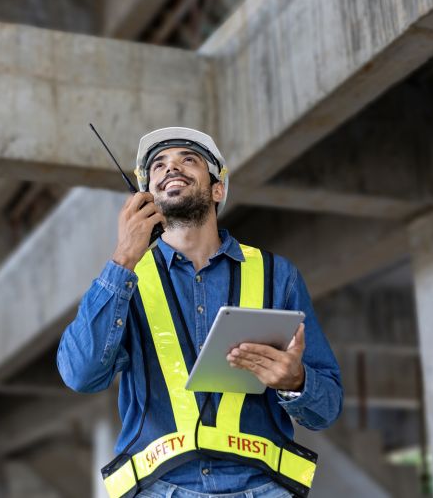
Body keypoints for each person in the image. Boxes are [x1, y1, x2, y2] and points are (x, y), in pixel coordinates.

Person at [57, 127, 342, 498]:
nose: (170, 168)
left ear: (217, 188)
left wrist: (296, 381)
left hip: (262, 488)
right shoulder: (124, 280)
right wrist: (124, 257)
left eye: (187, 160)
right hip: (159, 488)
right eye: (158, 165)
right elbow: (81, 374)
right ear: (147, 195)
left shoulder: (277, 274)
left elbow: (327, 408)